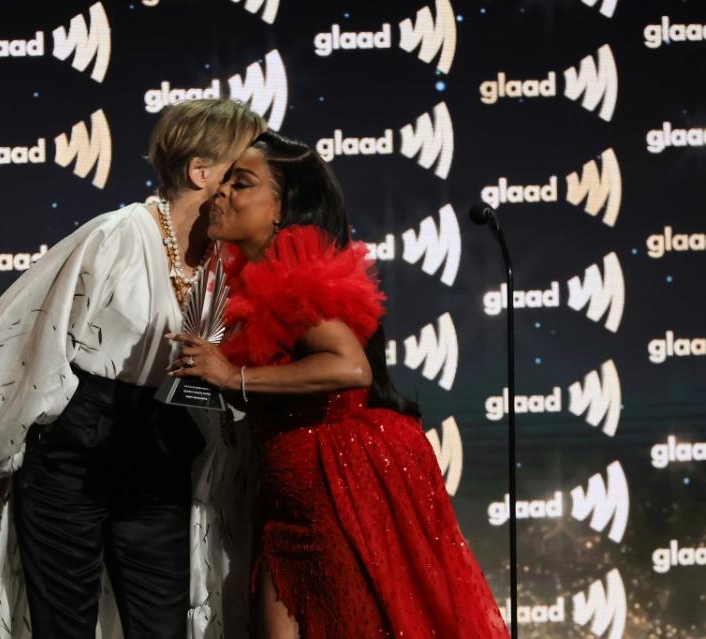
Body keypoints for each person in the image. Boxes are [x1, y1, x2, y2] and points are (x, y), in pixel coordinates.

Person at [0, 99, 265, 639]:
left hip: (160, 458)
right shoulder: (115, 236)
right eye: (239, 172)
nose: (245, 188)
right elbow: (28, 348)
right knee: (63, 627)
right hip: (74, 455)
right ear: (201, 172)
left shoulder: (228, 262)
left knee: (162, 625)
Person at [168, 130, 511, 638]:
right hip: (289, 494)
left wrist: (232, 376)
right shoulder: (248, 278)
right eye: (222, 182)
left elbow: (351, 368)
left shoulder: (292, 277)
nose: (221, 193)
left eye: (240, 184)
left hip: (336, 490)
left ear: (284, 208)